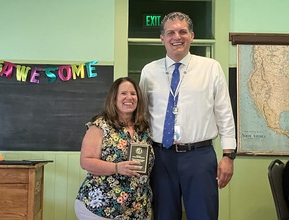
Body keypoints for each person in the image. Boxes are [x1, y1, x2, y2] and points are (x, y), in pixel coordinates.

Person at [139, 12, 236, 220]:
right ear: (162, 38)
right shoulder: (149, 71)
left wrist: (228, 155)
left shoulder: (211, 68)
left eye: (183, 31)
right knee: (164, 216)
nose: (177, 36)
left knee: (203, 215)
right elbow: (142, 115)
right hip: (161, 156)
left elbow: (224, 113)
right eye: (171, 32)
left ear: (192, 35)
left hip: (199, 156)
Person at [75, 77, 154, 220]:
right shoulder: (100, 125)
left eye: (133, 93)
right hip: (101, 208)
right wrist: (117, 167)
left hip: (137, 210)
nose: (129, 97)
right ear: (114, 98)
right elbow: (86, 162)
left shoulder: (144, 128)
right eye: (123, 93)